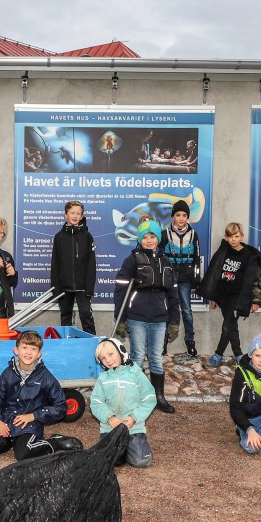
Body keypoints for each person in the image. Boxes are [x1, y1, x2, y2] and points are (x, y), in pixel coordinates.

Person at [113, 218, 180, 414]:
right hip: (137, 317)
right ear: (139, 239)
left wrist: (174, 321)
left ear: (158, 239)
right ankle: (138, 396)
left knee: (156, 358)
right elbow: (121, 291)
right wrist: (121, 318)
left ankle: (158, 397)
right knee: (137, 356)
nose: (149, 240)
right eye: (145, 237)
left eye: (153, 236)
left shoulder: (166, 261)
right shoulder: (132, 260)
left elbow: (173, 294)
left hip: (160, 318)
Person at [0, 330, 82, 461]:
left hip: (29, 424)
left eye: (33, 349)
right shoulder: (7, 374)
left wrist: (34, 416)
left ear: (39, 354)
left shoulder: (45, 377)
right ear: (16, 350)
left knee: (23, 454)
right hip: (7, 420)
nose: (28, 352)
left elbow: (60, 407)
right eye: (24, 347)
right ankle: (14, 440)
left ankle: (55, 442)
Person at [198, 222, 261, 367]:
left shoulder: (249, 255)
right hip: (223, 296)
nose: (233, 239)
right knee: (232, 326)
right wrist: (214, 297)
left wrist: (256, 300)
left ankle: (218, 355)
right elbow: (215, 274)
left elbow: (258, 279)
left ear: (242, 236)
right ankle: (239, 355)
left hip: (238, 297)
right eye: (230, 236)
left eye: (236, 236)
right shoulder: (224, 251)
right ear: (226, 237)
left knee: (227, 326)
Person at [89, 337, 156, 468]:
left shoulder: (136, 373)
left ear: (121, 351)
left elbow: (150, 398)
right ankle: (122, 451)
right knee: (110, 461)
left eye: (110, 354)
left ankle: (131, 447)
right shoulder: (103, 378)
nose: (107, 360)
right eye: (103, 358)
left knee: (141, 461)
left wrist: (134, 417)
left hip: (133, 427)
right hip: (110, 428)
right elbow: (96, 402)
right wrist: (109, 417)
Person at [161, 199, 201, 357]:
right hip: (169, 279)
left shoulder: (193, 234)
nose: (181, 218)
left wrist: (196, 278)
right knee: (166, 310)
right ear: (173, 217)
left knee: (186, 311)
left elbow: (197, 258)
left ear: (188, 217)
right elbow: (159, 257)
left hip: (185, 279)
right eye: (178, 215)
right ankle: (163, 342)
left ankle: (190, 341)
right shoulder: (165, 234)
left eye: (184, 215)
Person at [50, 201, 96, 334]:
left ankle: (94, 345)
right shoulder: (59, 237)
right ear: (65, 214)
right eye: (72, 213)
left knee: (86, 315)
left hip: (83, 287)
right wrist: (56, 289)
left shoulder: (87, 236)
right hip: (64, 287)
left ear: (82, 216)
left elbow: (91, 263)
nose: (75, 216)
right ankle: (65, 345)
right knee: (65, 318)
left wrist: (89, 288)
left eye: (78, 213)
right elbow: (55, 263)